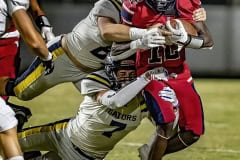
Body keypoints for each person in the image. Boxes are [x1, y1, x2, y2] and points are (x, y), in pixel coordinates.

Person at [1, 0, 205, 102]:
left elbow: (182, 23)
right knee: (21, 93)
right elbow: (108, 31)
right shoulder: (110, 4)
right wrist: (142, 34)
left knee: (120, 106)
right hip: (64, 59)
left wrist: (193, 22)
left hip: (96, 70)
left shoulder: (146, 11)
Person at [17, 55, 178, 160]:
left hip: (85, 156)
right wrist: (145, 78)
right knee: (8, 141)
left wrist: (173, 108)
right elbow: (115, 102)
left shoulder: (145, 100)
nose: (127, 76)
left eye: (131, 72)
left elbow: (166, 127)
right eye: (122, 71)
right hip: (61, 134)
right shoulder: (96, 81)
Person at [112, 0, 214, 159]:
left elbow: (208, 41)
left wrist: (185, 39)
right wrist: (141, 41)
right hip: (150, 73)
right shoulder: (133, 6)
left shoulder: (186, 3)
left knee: (193, 133)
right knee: (166, 123)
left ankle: (150, 153)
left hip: (179, 74)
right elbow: (116, 48)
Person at [0, 0, 55, 131]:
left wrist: (43, 23)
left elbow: (32, 7)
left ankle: (11, 115)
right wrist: (46, 56)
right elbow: (35, 43)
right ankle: (13, 113)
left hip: (5, 42)